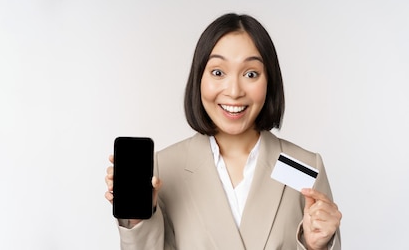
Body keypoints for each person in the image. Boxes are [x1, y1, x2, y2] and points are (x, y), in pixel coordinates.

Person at [104, 13, 342, 250]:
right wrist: (137, 221)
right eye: (218, 72)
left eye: (251, 74)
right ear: (199, 78)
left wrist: (316, 246)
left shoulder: (304, 168)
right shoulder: (164, 170)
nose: (234, 91)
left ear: (269, 81)